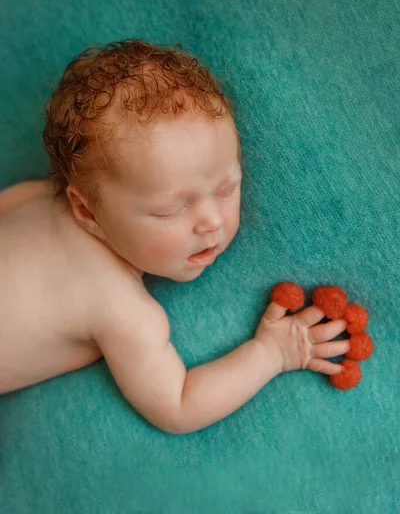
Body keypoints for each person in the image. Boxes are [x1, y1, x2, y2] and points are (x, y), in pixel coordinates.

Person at [0, 39, 349, 433]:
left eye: (226, 188)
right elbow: (178, 405)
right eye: (170, 210)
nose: (211, 223)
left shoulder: (37, 197)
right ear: (86, 211)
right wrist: (272, 352)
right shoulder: (121, 309)